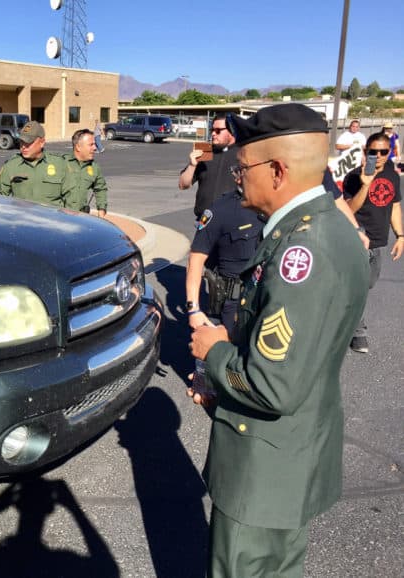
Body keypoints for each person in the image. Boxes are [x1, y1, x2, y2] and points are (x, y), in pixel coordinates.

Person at [188, 103, 369, 578]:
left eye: (243, 168)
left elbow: (272, 386)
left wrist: (214, 351)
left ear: (277, 171)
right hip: (291, 457)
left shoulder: (301, 251)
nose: (236, 179)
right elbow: (298, 353)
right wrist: (227, 371)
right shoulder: (330, 227)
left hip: (261, 471)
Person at [342, 131, 404, 353]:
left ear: (389, 153)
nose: (378, 156)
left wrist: (400, 235)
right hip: (355, 238)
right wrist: (366, 184)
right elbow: (349, 209)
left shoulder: (392, 175)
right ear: (365, 151)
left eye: (383, 152)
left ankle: (345, 317)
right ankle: (358, 332)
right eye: (373, 152)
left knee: (366, 285)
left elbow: (394, 205)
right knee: (357, 287)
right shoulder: (353, 177)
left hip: (378, 241)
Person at [185, 189, 263, 336]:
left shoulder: (272, 205)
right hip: (233, 304)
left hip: (264, 297)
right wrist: (193, 309)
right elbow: (195, 259)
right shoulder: (219, 210)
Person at [0, 121, 68, 207]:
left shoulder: (60, 164)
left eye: (28, 142)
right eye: (21, 142)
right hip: (22, 215)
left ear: (42, 142)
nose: (23, 146)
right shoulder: (11, 165)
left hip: (51, 215)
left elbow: (71, 199)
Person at [178, 113, 238, 219]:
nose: (213, 134)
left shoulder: (243, 153)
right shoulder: (205, 151)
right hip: (204, 219)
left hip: (232, 219)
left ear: (231, 131)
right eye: (212, 130)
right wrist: (192, 165)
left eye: (218, 130)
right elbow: (183, 185)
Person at [63, 129, 108, 216]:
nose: (95, 148)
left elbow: (100, 188)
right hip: (62, 216)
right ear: (78, 147)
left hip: (81, 216)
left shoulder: (94, 167)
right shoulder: (62, 163)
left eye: (94, 144)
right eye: (91, 144)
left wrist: (101, 210)